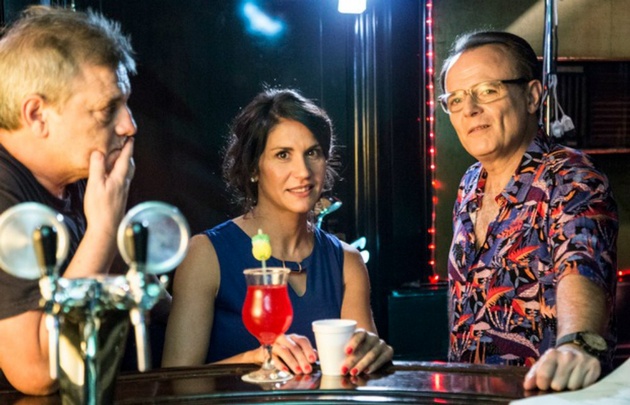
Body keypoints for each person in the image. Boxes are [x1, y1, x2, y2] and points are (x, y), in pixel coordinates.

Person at [162, 88, 393, 376]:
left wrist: (373, 354)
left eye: (312, 153)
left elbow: (359, 376)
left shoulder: (347, 262)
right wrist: (253, 359)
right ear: (252, 168)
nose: (303, 171)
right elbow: (176, 381)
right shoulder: (205, 255)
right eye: (283, 155)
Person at [438, 31, 618, 392]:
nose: (469, 109)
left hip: (548, 395)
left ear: (533, 96)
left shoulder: (571, 177)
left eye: (487, 91)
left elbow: (582, 265)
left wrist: (577, 345)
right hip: (471, 396)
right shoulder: (469, 183)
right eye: (455, 99)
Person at [0, 6, 137, 395]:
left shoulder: (76, 177)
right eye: (107, 109)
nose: (129, 125)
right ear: (37, 115)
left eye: (125, 104)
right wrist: (104, 229)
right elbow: (36, 372)